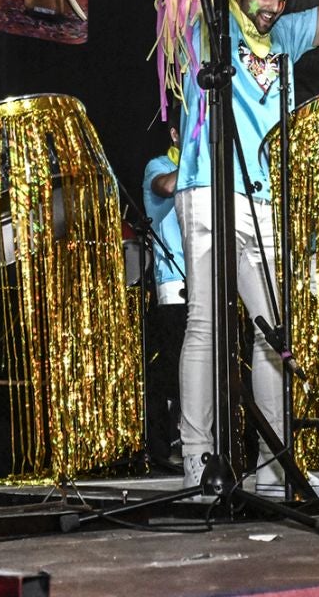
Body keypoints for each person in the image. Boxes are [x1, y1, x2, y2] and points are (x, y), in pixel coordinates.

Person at [159, 0, 319, 497]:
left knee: (274, 335)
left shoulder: (289, 35)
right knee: (204, 326)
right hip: (205, 190)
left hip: (266, 200)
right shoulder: (210, 17)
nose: (274, 6)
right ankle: (201, 465)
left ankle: (280, 470)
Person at [141, 125, 188, 472]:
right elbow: (167, 186)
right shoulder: (157, 166)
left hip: (209, 280)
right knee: (175, 368)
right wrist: (197, 152)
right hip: (174, 285)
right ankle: (169, 442)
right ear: (175, 133)